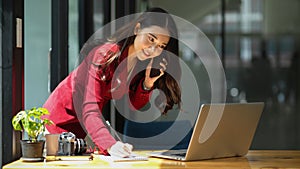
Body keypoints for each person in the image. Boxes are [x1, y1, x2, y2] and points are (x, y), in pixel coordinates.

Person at [43, 7, 181, 157]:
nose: (153, 49)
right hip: (57, 122)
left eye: (161, 46)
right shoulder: (105, 55)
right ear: (137, 29)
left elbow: (134, 105)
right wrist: (110, 145)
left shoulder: (140, 65)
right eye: (151, 38)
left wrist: (146, 85)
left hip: (81, 129)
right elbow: (90, 108)